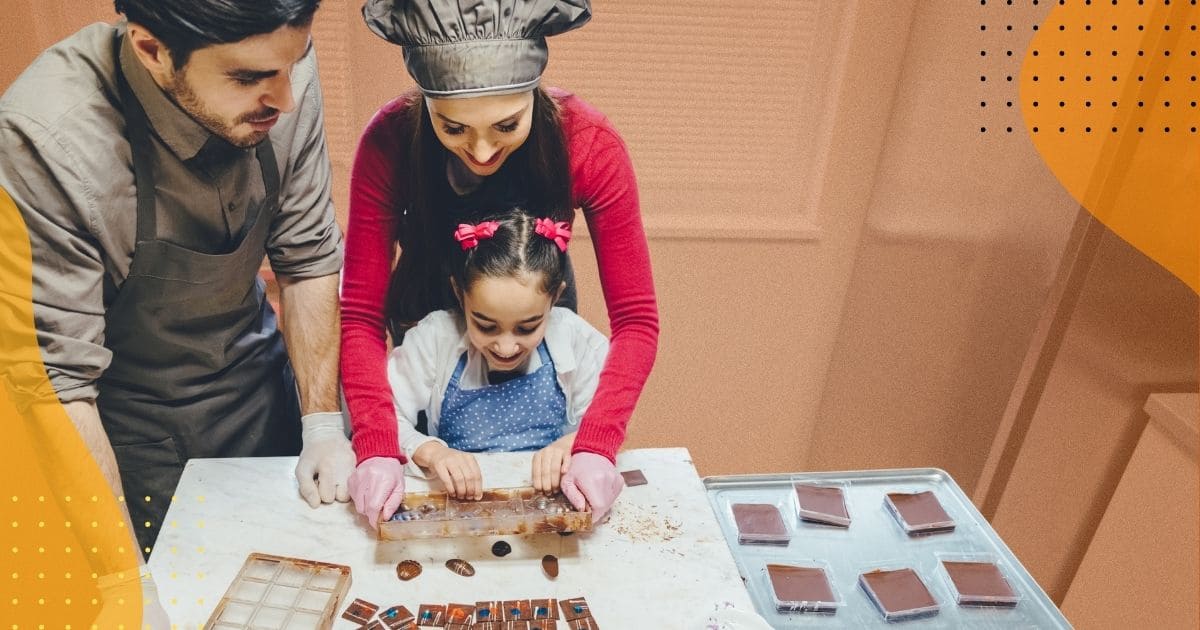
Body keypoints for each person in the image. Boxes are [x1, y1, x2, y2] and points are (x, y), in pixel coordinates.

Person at [0, 0, 355, 575]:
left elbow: (308, 255)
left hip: (261, 392)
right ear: (152, 51)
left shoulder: (278, 68)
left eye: (292, 65)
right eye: (247, 78)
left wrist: (320, 425)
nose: (286, 100)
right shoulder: (48, 138)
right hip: (135, 437)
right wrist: (124, 575)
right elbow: (58, 385)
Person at [344, 0, 659, 526]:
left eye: (506, 125)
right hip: (421, 313)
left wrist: (594, 443)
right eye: (454, 129)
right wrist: (378, 445)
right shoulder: (390, 140)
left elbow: (637, 322)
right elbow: (358, 316)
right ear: (426, 107)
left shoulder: (588, 143)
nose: (483, 151)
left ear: (534, 95)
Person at [378, 208, 608, 525]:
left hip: (547, 513)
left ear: (555, 298)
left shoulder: (577, 341)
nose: (505, 347)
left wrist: (572, 445)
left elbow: (604, 418)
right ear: (460, 295)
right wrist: (433, 452)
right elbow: (382, 414)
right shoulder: (435, 338)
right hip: (458, 510)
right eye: (486, 326)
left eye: (527, 328)